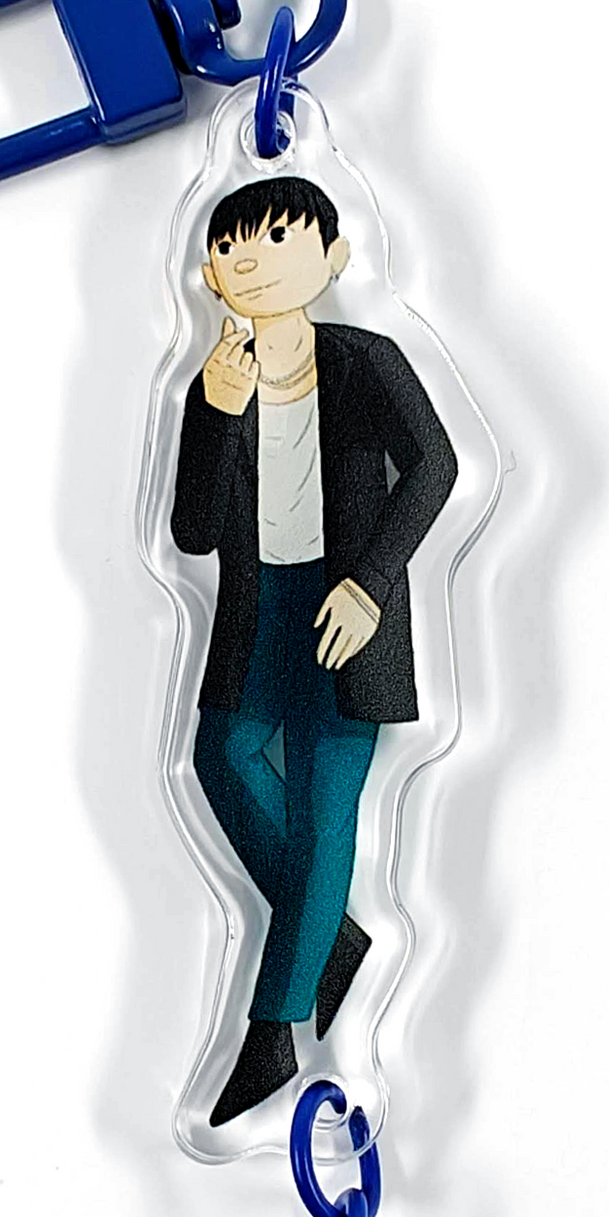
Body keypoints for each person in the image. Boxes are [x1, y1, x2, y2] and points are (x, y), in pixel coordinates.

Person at [171, 175, 458, 1124]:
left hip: (347, 617)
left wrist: (370, 585)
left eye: (278, 239)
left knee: (324, 809)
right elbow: (192, 532)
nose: (251, 259)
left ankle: (271, 1032)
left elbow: (436, 466)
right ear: (213, 276)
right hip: (256, 614)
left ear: (333, 257)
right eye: (230, 246)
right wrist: (216, 414)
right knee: (220, 758)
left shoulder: (366, 359)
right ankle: (330, 941)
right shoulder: (216, 382)